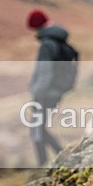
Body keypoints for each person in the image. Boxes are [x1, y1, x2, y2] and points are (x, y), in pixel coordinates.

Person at [27, 8, 69, 166]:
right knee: (40, 129)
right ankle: (62, 157)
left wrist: (37, 93)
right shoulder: (57, 39)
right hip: (55, 92)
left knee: (37, 130)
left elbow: (45, 72)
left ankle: (44, 164)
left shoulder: (47, 44)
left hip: (45, 94)